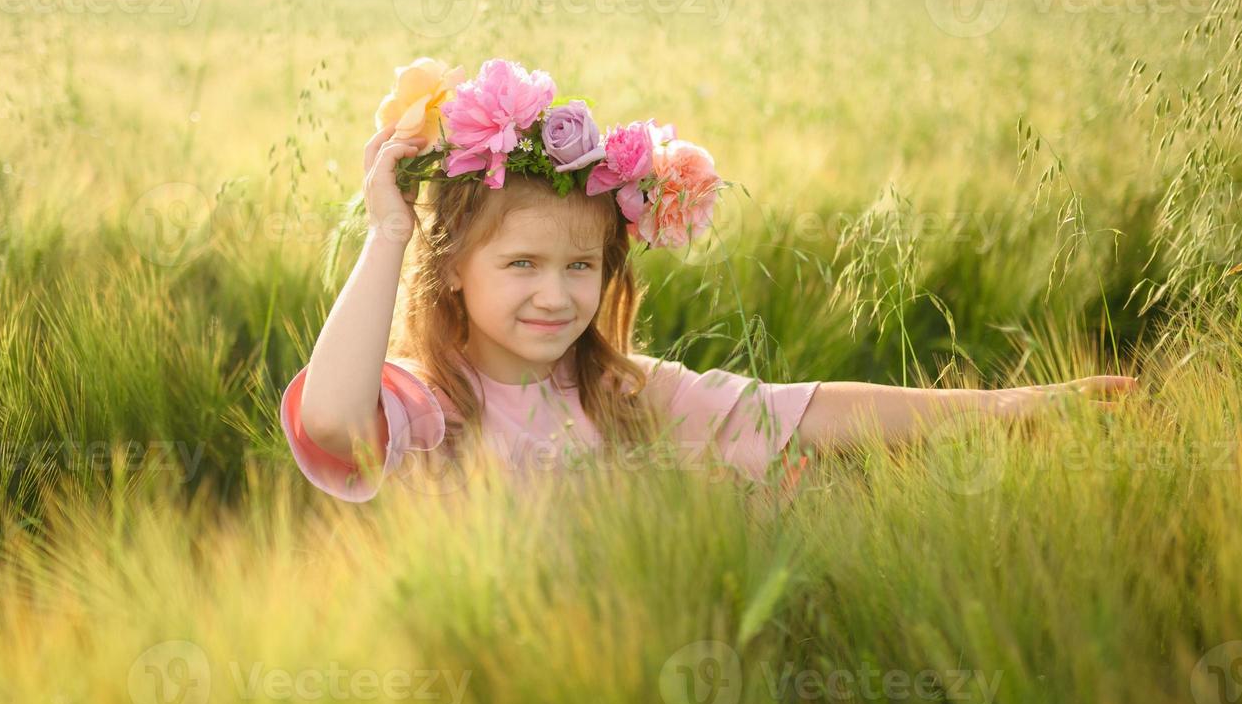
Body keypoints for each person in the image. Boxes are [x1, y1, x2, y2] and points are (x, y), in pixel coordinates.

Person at [281, 57, 1140, 503]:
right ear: (451, 272)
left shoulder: (619, 390)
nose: (556, 295)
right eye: (520, 265)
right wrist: (390, 231)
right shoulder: (431, 404)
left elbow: (800, 407)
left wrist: (998, 408)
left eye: (580, 267)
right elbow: (329, 417)